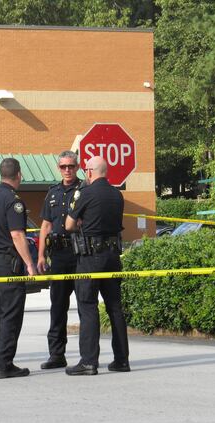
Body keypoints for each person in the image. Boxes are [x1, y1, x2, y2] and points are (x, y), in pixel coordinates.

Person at [65, 156, 130, 376]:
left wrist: (81, 221)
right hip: (113, 256)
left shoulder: (86, 193)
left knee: (88, 305)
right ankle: (121, 360)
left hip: (90, 257)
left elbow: (68, 224)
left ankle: (89, 361)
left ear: (91, 171)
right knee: (114, 307)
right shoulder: (117, 195)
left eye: (85, 171)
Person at [0, 158, 37, 379]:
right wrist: (30, 264)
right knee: (11, 315)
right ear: (19, 175)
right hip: (8, 263)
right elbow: (17, 235)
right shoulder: (13, 200)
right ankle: (4, 364)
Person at [37, 150, 83, 369]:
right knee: (57, 307)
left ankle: (87, 356)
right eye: (63, 166)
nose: (67, 170)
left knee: (85, 304)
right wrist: (40, 255)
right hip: (58, 255)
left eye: (71, 166)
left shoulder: (84, 190)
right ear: (58, 168)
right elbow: (45, 225)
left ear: (77, 166)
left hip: (80, 254)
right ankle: (56, 354)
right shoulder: (52, 192)